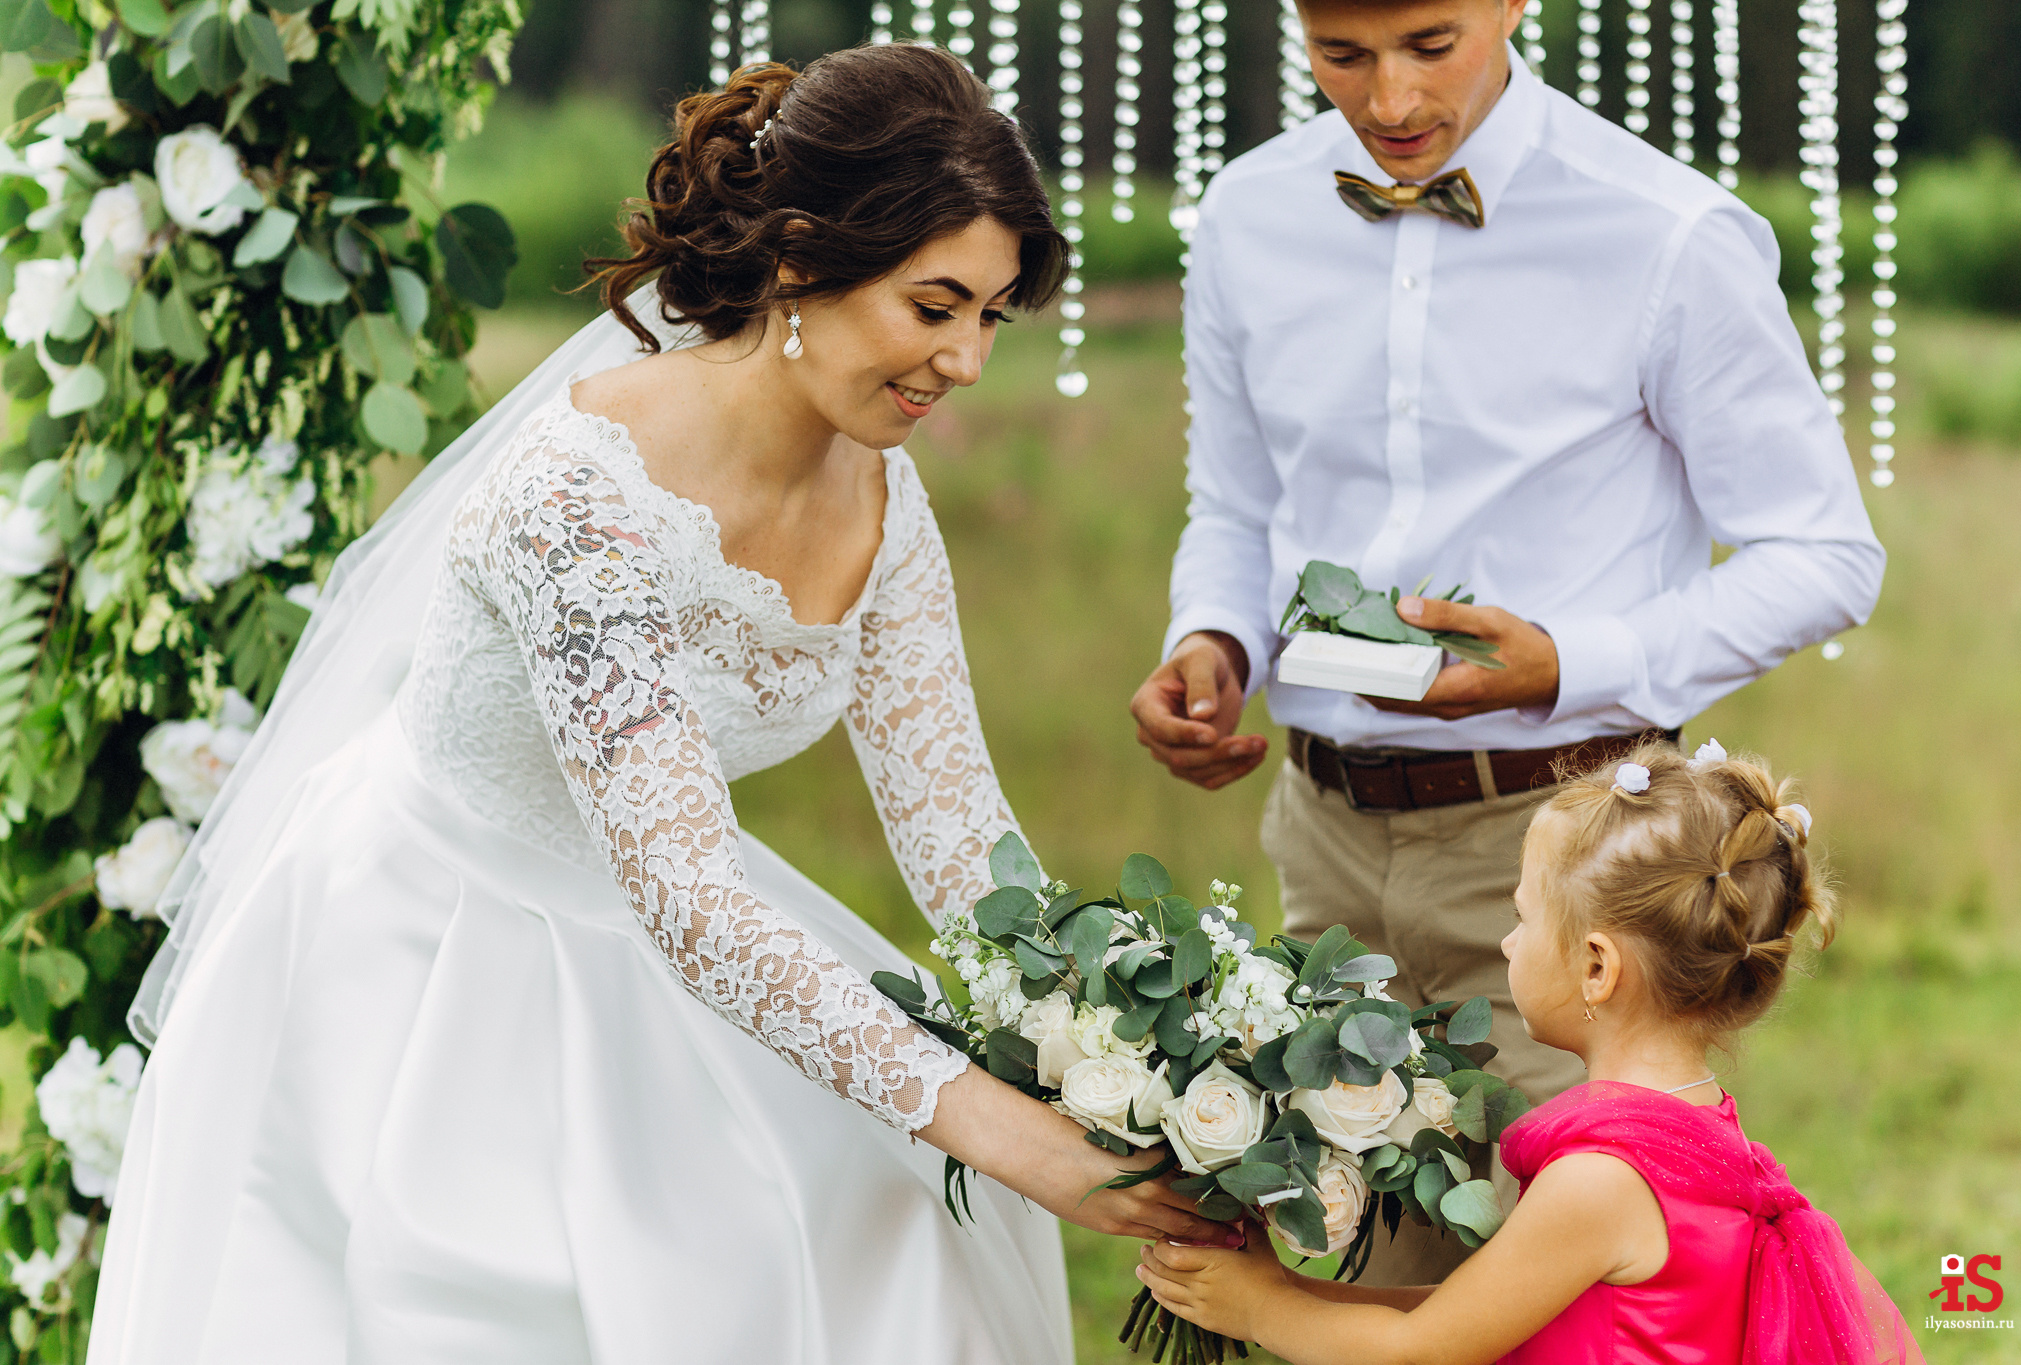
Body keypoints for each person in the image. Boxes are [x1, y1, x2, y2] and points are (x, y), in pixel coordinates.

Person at [91, 48, 1224, 1365]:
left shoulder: (883, 500)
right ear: (801, 259)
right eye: (936, 306)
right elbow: (686, 894)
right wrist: (1009, 1133)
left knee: (886, 1230)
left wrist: (1136, 1046)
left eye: (994, 316)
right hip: (431, 957)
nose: (968, 360)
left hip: (675, 937)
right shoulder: (578, 496)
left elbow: (962, 837)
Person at [1128, 0, 1883, 1283]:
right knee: (1354, 1278)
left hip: (1570, 856)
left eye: (1432, 46)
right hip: (1321, 849)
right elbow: (1238, 508)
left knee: (1560, 1307)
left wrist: (1566, 663)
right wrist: (1211, 639)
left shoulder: (1667, 233)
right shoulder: (1248, 219)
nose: (1388, 104)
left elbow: (1823, 557)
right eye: (1341, 55)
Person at [1134, 743, 1925, 1365]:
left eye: (1519, 918)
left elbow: (1429, 1348)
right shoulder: (1695, 1125)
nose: (1508, 941)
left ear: (1595, 966)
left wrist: (1258, 1310)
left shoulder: (1602, 1180)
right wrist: (1288, 1289)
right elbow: (1480, 1315)